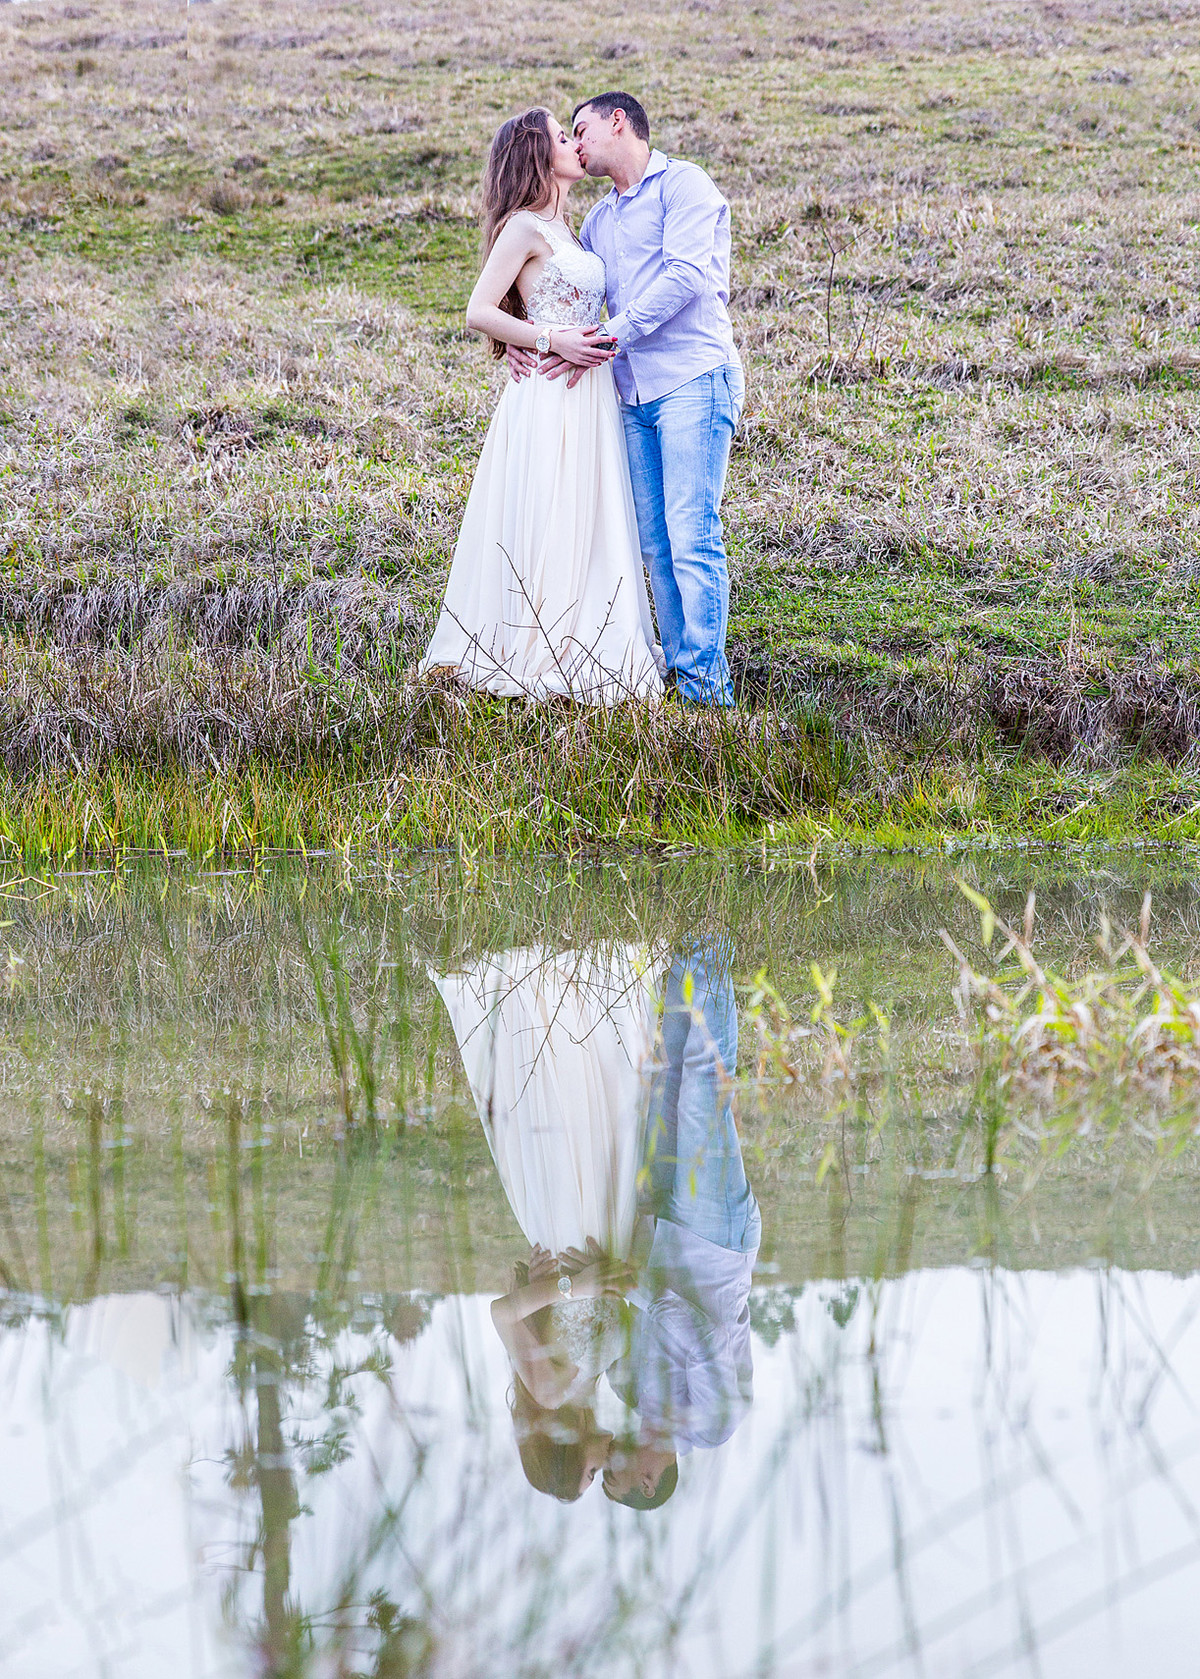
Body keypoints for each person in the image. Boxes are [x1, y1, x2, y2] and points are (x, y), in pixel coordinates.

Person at [418, 108, 664, 704]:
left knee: (590, 509)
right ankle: (537, 642)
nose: (575, 144)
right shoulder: (524, 227)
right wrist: (546, 340)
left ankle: (590, 636)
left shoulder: (572, 230)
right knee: (550, 507)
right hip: (549, 393)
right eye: (562, 136)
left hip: (592, 395)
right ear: (537, 155)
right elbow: (479, 309)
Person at [510, 92, 744, 707]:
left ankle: (707, 693)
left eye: (581, 130)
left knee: (692, 533)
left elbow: (688, 277)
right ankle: (682, 670)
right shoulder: (598, 222)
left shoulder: (684, 186)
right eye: (571, 136)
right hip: (632, 395)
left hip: (692, 379)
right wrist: (522, 343)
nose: (577, 144)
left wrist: (613, 334)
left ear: (620, 123)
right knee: (655, 543)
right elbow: (566, 297)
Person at [431, 943, 658, 1500]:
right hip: (602, 1231)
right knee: (607, 1127)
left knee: (562, 1128)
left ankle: (537, 997)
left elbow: (502, 1314)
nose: (600, 1470)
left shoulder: (552, 1395)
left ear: (565, 1456)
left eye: (588, 1475)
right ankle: (592, 991)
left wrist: (566, 1285)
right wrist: (613, 1274)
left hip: (563, 1234)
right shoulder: (589, 1392)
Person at [603, 941, 761, 1509]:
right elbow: (703, 1338)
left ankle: (680, 949)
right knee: (702, 1086)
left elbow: (607, 1322)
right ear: (651, 1481)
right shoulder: (715, 1422)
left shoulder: (624, 1389)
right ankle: (709, 937)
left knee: (665, 1076)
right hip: (714, 1238)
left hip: (663, 1224)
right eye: (615, 1476)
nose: (609, 1465)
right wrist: (635, 1290)